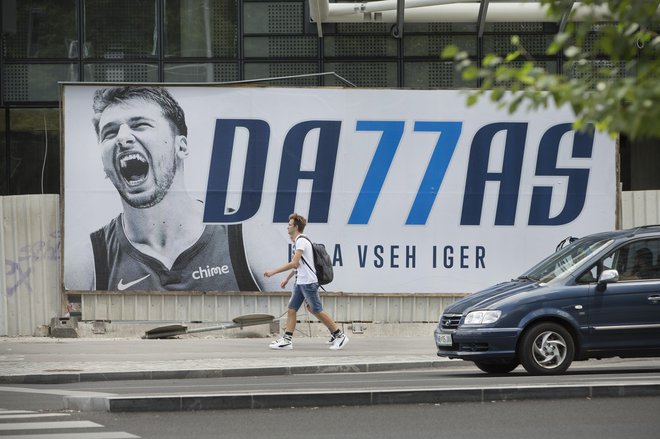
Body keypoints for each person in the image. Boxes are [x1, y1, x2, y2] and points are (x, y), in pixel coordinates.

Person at [65, 86, 241, 291]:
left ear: (181, 147)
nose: (122, 138)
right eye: (110, 133)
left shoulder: (243, 239)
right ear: (105, 165)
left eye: (140, 125)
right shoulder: (86, 262)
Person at [264, 213, 348, 350]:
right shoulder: (298, 242)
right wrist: (287, 278)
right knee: (292, 309)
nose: (287, 227)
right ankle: (287, 340)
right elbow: (298, 266)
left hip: (308, 283)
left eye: (290, 225)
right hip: (300, 282)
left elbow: (294, 262)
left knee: (316, 310)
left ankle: (340, 335)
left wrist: (273, 272)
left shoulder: (301, 241)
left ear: (296, 227)